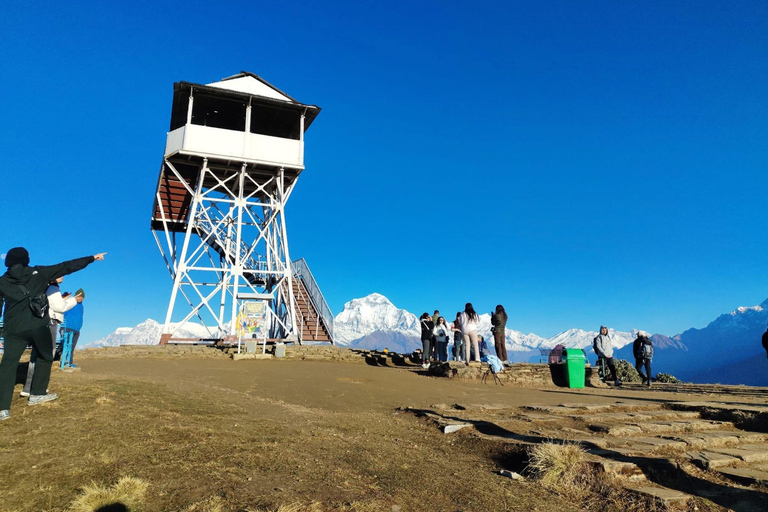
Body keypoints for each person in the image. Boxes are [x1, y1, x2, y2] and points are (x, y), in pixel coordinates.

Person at [0, 248, 106, 421]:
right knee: (45, 356)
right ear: (27, 259)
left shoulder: (2, 282)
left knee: (8, 364)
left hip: (13, 329)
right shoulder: (39, 273)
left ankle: (3, 409)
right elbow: (66, 266)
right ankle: (37, 394)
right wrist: (92, 258)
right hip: (36, 325)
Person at [21, 276, 77, 396]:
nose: (63, 277)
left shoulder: (45, 287)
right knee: (46, 355)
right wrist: (74, 300)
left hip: (41, 323)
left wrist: (62, 298)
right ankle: (39, 388)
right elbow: (60, 307)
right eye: (60, 274)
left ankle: (28, 387)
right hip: (50, 323)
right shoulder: (53, 288)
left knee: (36, 355)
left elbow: (51, 303)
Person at [63, 288, 86, 368]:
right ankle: (63, 361)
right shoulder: (72, 303)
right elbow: (64, 312)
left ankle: (69, 362)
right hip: (69, 327)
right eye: (80, 297)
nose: (81, 299)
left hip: (77, 329)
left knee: (72, 346)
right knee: (67, 345)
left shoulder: (81, 306)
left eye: (82, 297)